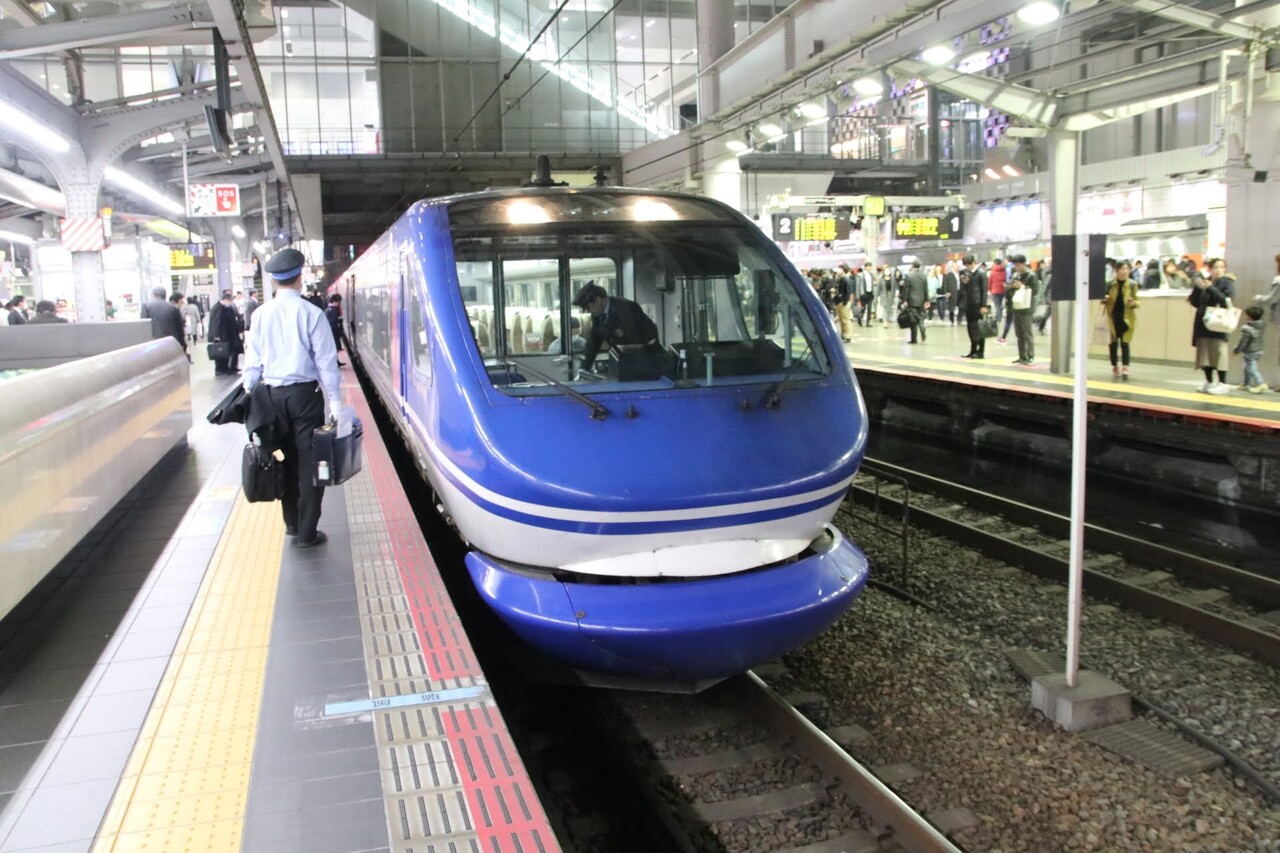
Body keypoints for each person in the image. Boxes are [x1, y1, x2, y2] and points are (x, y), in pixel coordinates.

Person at [243, 248, 344, 549]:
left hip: (271, 397)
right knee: (310, 462)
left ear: (273, 281)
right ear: (299, 278)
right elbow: (326, 362)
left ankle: (291, 524)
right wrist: (335, 401)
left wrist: (249, 395)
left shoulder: (260, 315)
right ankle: (307, 532)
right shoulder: (312, 314)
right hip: (305, 397)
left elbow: (252, 362)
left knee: (283, 459)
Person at [573, 281, 659, 368]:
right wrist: (584, 369)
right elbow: (593, 343)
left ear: (598, 300)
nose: (587, 311)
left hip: (646, 360)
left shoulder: (626, 308)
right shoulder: (598, 315)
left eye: (588, 307)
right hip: (626, 361)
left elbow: (635, 341)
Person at [1188, 271, 1231, 394]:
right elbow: (1195, 302)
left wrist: (1211, 288)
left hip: (1219, 325)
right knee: (1205, 354)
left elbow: (1225, 301)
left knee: (1219, 353)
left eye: (1221, 267)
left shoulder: (1226, 283)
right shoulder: (1204, 282)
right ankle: (1209, 381)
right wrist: (1197, 288)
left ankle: (1222, 382)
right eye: (1215, 267)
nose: (1218, 270)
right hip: (1203, 324)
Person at [1104, 261, 1140, 381]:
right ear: (1116, 271)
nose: (1124, 272)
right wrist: (1105, 300)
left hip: (1127, 318)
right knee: (1113, 344)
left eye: (1127, 269)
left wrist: (1133, 303)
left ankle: (1125, 367)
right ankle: (1115, 366)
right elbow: (1104, 299)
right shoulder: (1110, 284)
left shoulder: (1132, 284)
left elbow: (1138, 301)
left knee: (1125, 343)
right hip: (1113, 317)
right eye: (1122, 269)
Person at [1006, 254, 1040, 365]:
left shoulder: (1031, 275)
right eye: (1015, 265)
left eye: (1018, 265)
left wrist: (1022, 286)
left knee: (1027, 333)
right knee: (1019, 333)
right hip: (1016, 307)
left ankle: (1030, 355)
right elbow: (1010, 291)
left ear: (1023, 263)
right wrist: (1010, 287)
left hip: (1026, 308)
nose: (1016, 267)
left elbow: (1035, 291)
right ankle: (1022, 355)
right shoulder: (1015, 275)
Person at [140, 287, 187, 355]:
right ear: (165, 296)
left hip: (153, 344)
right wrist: (182, 343)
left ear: (153, 295)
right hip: (170, 343)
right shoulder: (173, 308)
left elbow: (143, 326)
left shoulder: (146, 306)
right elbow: (180, 328)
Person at [208, 290, 244, 375]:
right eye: (230, 301)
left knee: (227, 351)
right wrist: (216, 335)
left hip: (227, 334)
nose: (230, 303)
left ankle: (226, 368)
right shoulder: (218, 308)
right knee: (221, 352)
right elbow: (215, 322)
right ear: (226, 300)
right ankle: (220, 369)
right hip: (222, 335)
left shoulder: (225, 308)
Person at [959, 255, 989, 359]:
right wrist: (965, 283)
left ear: (973, 262)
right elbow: (964, 289)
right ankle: (973, 350)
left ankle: (980, 351)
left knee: (979, 328)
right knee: (971, 328)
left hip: (978, 304)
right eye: (966, 265)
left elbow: (984, 290)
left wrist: (983, 305)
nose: (968, 267)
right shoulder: (967, 273)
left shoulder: (981, 273)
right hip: (969, 303)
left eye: (969, 265)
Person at [1234, 305, 1266, 394]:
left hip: (1250, 351)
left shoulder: (1247, 329)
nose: (1245, 316)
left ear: (1250, 317)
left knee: (1252, 368)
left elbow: (1243, 342)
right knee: (1247, 367)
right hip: (1259, 350)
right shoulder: (1261, 325)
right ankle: (1245, 383)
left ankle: (1260, 383)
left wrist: (1237, 350)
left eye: (1246, 315)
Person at [901, 261, 929, 344]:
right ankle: (922, 327)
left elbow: (907, 289)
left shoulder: (908, 275)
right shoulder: (924, 275)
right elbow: (925, 289)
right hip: (921, 300)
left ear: (912, 265)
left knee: (913, 319)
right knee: (920, 316)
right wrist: (927, 300)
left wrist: (905, 300)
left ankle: (914, 339)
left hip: (912, 300)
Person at [325, 293, 348, 367]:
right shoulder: (332, 310)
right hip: (333, 331)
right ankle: (335, 362)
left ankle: (336, 362)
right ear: (334, 301)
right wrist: (339, 320)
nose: (338, 304)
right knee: (334, 348)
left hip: (332, 331)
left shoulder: (328, 309)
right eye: (338, 302)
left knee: (334, 348)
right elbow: (333, 321)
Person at [833, 265, 853, 342]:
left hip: (843, 302)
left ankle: (848, 336)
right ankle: (843, 335)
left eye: (839, 269)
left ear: (843, 270)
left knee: (845, 320)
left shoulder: (846, 280)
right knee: (841, 320)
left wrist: (845, 302)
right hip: (839, 302)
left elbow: (848, 292)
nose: (837, 271)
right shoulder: (839, 279)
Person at [988, 256, 1007, 334]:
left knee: (997, 305)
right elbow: (1005, 280)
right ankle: (999, 315)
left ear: (995, 263)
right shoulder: (1004, 271)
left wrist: (989, 289)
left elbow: (990, 281)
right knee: (1000, 304)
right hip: (1003, 290)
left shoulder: (992, 271)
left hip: (995, 290)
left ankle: (998, 318)